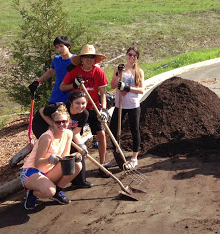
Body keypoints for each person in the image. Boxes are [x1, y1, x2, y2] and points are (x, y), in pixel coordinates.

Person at [21, 105, 82, 210]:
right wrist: (49, 159)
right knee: (49, 191)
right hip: (32, 171)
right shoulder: (47, 137)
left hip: (48, 171)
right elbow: (37, 162)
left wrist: (75, 156)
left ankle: (57, 193)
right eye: (58, 122)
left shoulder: (68, 133)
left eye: (64, 121)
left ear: (68, 121)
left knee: (77, 165)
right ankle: (32, 193)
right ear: (53, 123)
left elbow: (65, 157)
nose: (61, 124)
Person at [60, 44, 109, 172]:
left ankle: (102, 164)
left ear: (95, 59)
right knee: (74, 136)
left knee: (102, 134)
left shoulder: (99, 72)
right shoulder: (75, 71)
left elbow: (103, 93)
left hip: (93, 108)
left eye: (91, 57)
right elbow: (62, 87)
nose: (89, 59)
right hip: (78, 110)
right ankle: (75, 167)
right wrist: (74, 84)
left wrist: (103, 109)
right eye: (86, 57)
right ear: (81, 59)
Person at [32, 91, 92, 188]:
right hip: (42, 125)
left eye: (83, 103)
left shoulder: (84, 114)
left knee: (77, 151)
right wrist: (53, 124)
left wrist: (81, 146)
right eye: (77, 103)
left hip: (62, 129)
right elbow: (42, 111)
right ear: (70, 102)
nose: (80, 106)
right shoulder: (59, 107)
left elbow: (75, 132)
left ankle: (79, 181)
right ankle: (42, 177)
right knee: (53, 149)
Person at [107, 46, 145, 169]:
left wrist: (127, 88)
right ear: (126, 55)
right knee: (114, 129)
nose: (132, 57)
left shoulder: (139, 71)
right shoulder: (119, 68)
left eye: (134, 55)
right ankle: (117, 155)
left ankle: (134, 158)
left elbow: (141, 90)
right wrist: (118, 74)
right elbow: (112, 85)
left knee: (134, 130)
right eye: (130, 54)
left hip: (133, 105)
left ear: (137, 57)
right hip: (120, 104)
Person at [28, 36, 75, 104]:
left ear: (68, 46)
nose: (59, 49)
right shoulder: (56, 59)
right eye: (57, 47)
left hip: (71, 95)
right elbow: (51, 71)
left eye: (61, 46)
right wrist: (38, 81)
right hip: (57, 94)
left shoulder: (76, 60)